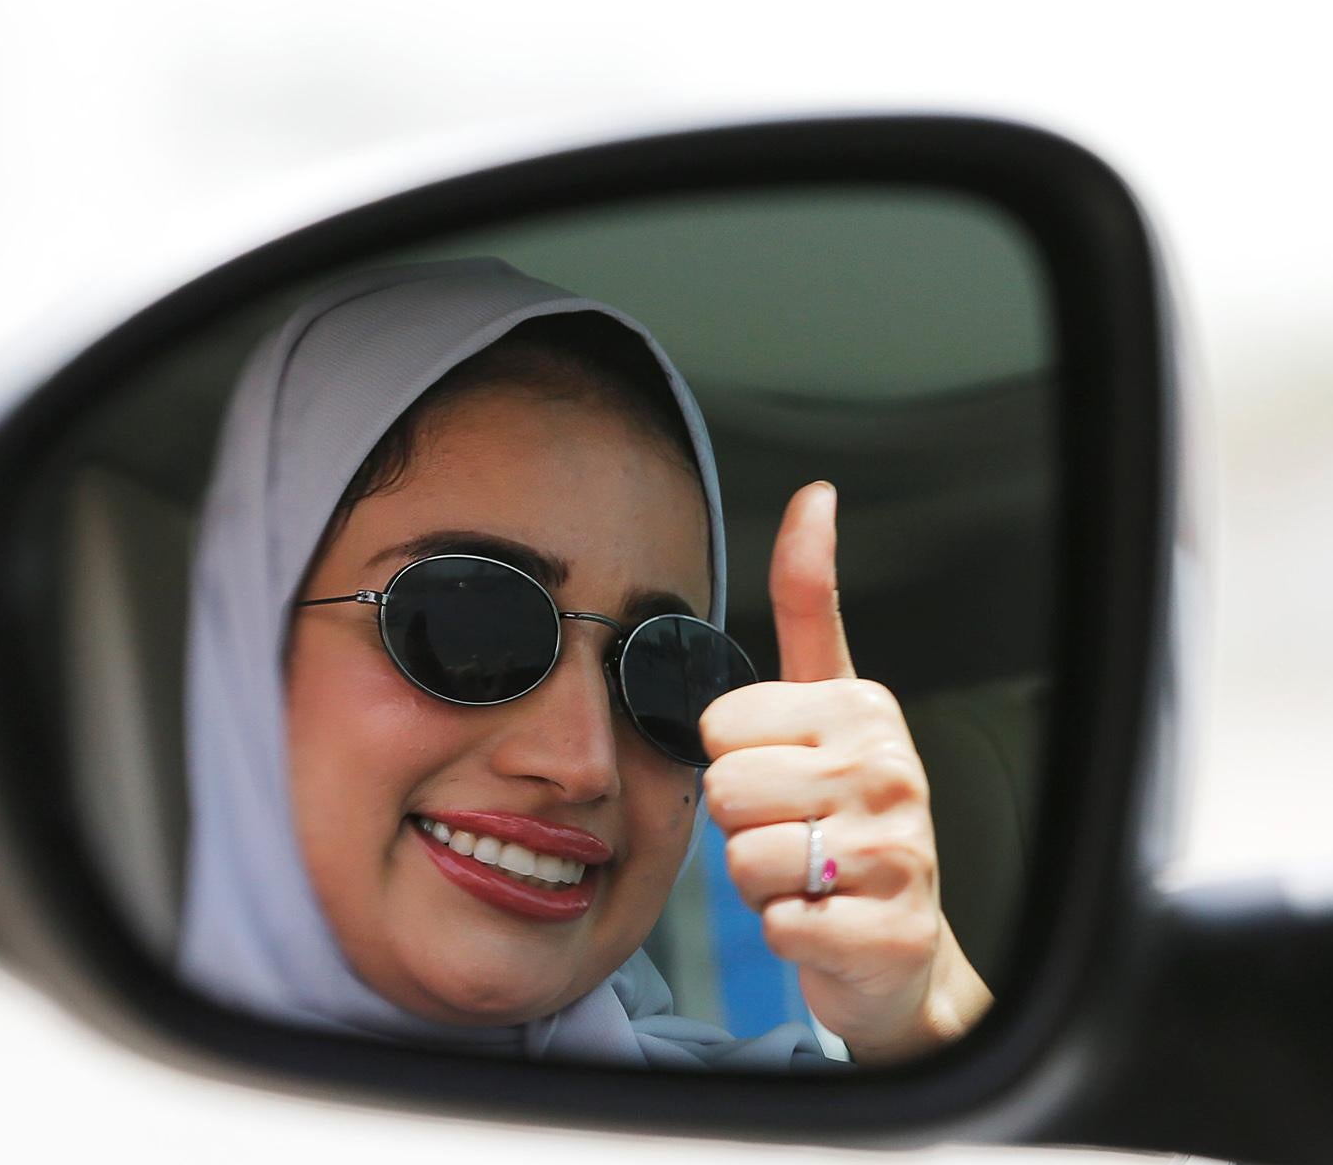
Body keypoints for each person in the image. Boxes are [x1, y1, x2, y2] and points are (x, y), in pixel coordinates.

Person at [179, 258, 991, 1069]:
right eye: (468, 625)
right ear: (248, 655)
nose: (581, 762)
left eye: (666, 672)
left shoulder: (751, 1127)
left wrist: (923, 1013)